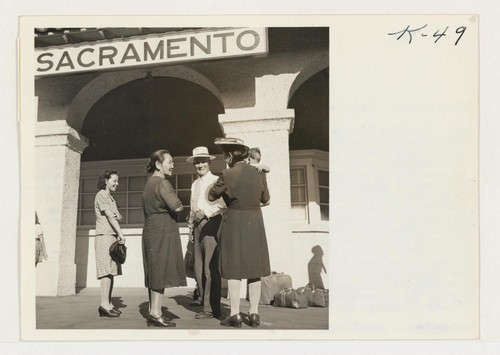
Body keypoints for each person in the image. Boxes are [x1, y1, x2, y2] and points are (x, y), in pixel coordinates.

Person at [208, 137, 271, 328]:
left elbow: (211, 197)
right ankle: (254, 314)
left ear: (229, 156)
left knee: (234, 269)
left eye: (224, 155)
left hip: (235, 222)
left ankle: (235, 314)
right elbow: (266, 200)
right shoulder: (259, 173)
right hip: (255, 222)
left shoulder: (227, 174)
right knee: (255, 269)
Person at [142, 149, 186, 327]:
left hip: (152, 229)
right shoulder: (162, 183)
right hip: (162, 230)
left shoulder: (149, 183)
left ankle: (154, 310)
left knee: (155, 270)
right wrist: (181, 204)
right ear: (158, 164)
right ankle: (155, 312)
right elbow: (176, 207)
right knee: (160, 270)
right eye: (170, 162)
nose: (173, 165)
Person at [187, 146, 227, 320]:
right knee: (198, 269)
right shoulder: (195, 184)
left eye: (203, 161)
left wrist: (207, 213)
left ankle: (211, 308)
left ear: (209, 162)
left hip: (211, 225)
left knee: (210, 269)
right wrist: (190, 228)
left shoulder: (217, 180)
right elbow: (192, 207)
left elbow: (223, 205)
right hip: (197, 227)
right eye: (197, 162)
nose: (200, 165)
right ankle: (204, 302)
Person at [94, 170, 125, 318]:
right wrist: (121, 233)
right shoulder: (101, 195)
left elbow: (116, 216)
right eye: (114, 180)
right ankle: (104, 305)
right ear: (106, 180)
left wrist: (118, 217)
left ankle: (109, 303)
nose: (117, 183)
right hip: (104, 236)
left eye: (117, 181)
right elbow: (109, 217)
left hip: (111, 236)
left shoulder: (110, 198)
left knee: (111, 272)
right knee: (106, 272)